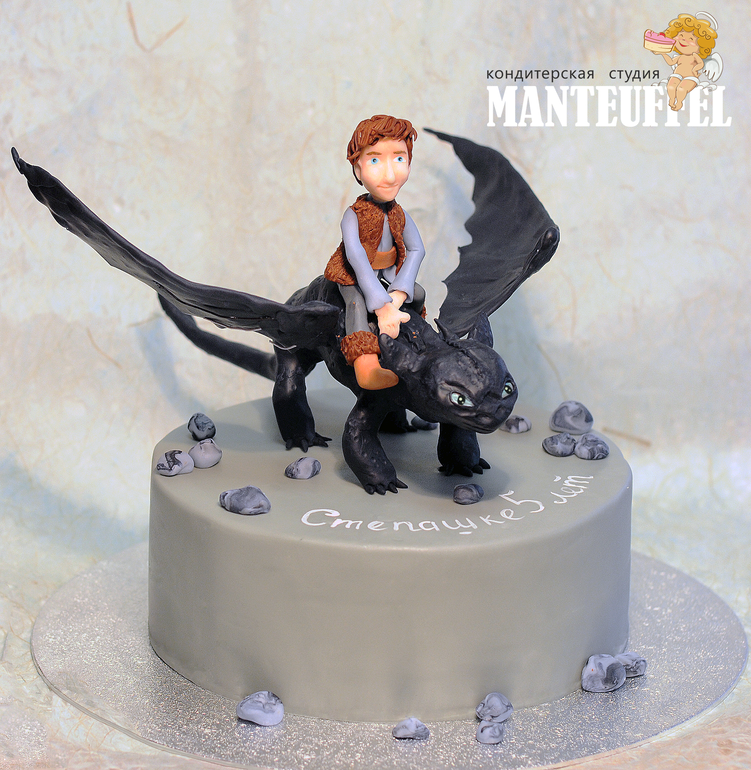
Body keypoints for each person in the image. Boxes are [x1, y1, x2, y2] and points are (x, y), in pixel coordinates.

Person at [325, 115, 426, 390]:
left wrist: (400, 292)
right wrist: (382, 305)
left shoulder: (399, 214)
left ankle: (415, 340)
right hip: (353, 276)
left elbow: (417, 249)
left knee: (419, 294)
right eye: (374, 161)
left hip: (388, 274)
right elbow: (356, 257)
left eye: (399, 158)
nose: (390, 175)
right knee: (356, 305)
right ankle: (366, 366)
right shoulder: (353, 215)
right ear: (358, 169)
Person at [650, 13, 718, 111]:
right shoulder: (680, 57)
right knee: (671, 86)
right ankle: (671, 100)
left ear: (701, 45)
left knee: (681, 89)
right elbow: (671, 62)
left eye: (691, 39)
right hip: (677, 75)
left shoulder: (694, 56)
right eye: (681, 35)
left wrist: (695, 69)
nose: (683, 40)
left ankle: (679, 102)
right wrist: (663, 53)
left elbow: (701, 64)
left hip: (690, 77)